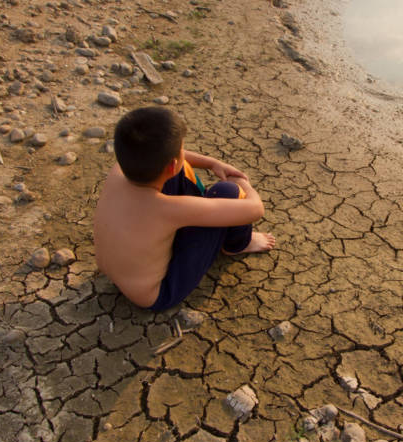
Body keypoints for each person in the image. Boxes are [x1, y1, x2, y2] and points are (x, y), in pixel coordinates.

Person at [93, 107, 275, 310]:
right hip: (159, 293)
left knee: (177, 170)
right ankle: (239, 244)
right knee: (228, 191)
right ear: (171, 164)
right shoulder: (169, 210)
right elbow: (255, 209)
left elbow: (172, 158)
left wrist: (212, 164)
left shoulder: (119, 171)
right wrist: (243, 183)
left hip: (117, 273)